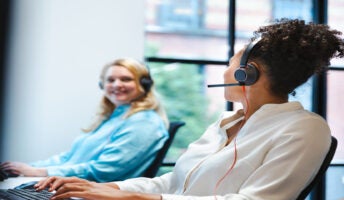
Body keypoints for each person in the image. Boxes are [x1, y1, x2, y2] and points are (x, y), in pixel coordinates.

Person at [35, 19, 344, 200]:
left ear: (246, 74)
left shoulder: (305, 128)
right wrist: (101, 188)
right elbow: (171, 184)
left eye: (230, 64)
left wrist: (135, 198)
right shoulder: (226, 122)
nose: (226, 71)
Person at [0, 58, 169, 183]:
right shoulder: (115, 117)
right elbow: (70, 157)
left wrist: (39, 172)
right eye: (110, 80)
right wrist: (28, 167)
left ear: (144, 84)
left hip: (90, 191)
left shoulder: (144, 123)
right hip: (72, 186)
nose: (116, 85)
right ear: (102, 86)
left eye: (126, 79)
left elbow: (105, 171)